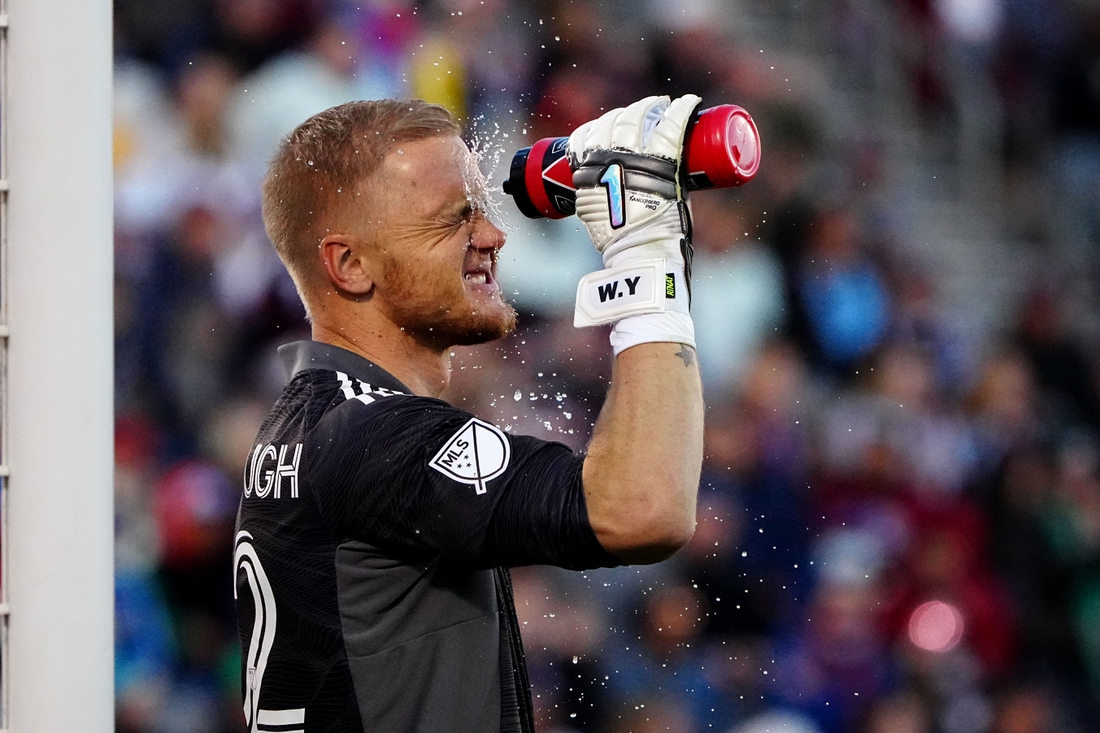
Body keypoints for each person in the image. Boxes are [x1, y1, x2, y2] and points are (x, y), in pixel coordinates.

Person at [233, 95, 705, 732]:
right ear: (349, 265)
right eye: (450, 221)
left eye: (480, 210)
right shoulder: (371, 435)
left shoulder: (312, 424)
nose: (492, 235)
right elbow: (642, 510)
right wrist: (647, 264)